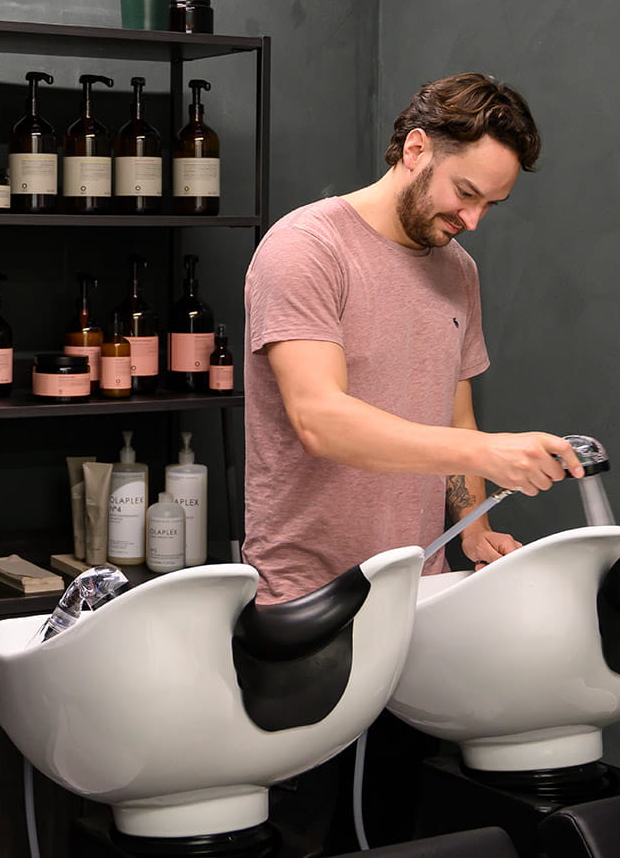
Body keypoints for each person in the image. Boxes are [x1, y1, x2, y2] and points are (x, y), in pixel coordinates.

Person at [244, 73, 581, 603]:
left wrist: (474, 527)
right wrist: (487, 452)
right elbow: (320, 421)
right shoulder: (306, 248)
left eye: (491, 204)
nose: (472, 220)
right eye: (466, 193)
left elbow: (454, 416)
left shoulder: (460, 271)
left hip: (422, 589)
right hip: (306, 595)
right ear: (415, 148)